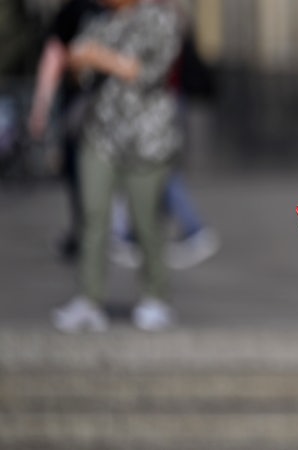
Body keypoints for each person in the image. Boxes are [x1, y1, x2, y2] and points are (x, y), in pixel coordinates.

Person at [51, 0, 182, 332]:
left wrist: (99, 58)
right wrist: (78, 64)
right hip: (99, 134)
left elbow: (150, 72)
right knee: (92, 215)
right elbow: (77, 70)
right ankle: (89, 299)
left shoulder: (160, 20)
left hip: (147, 138)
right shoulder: (96, 21)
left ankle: (155, 297)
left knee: (145, 220)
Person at [28, 0, 105, 261]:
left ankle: (89, 232)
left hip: (85, 109)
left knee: (82, 174)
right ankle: (98, 232)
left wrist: (40, 109)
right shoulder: (109, 10)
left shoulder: (73, 10)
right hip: (98, 110)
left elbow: (52, 60)